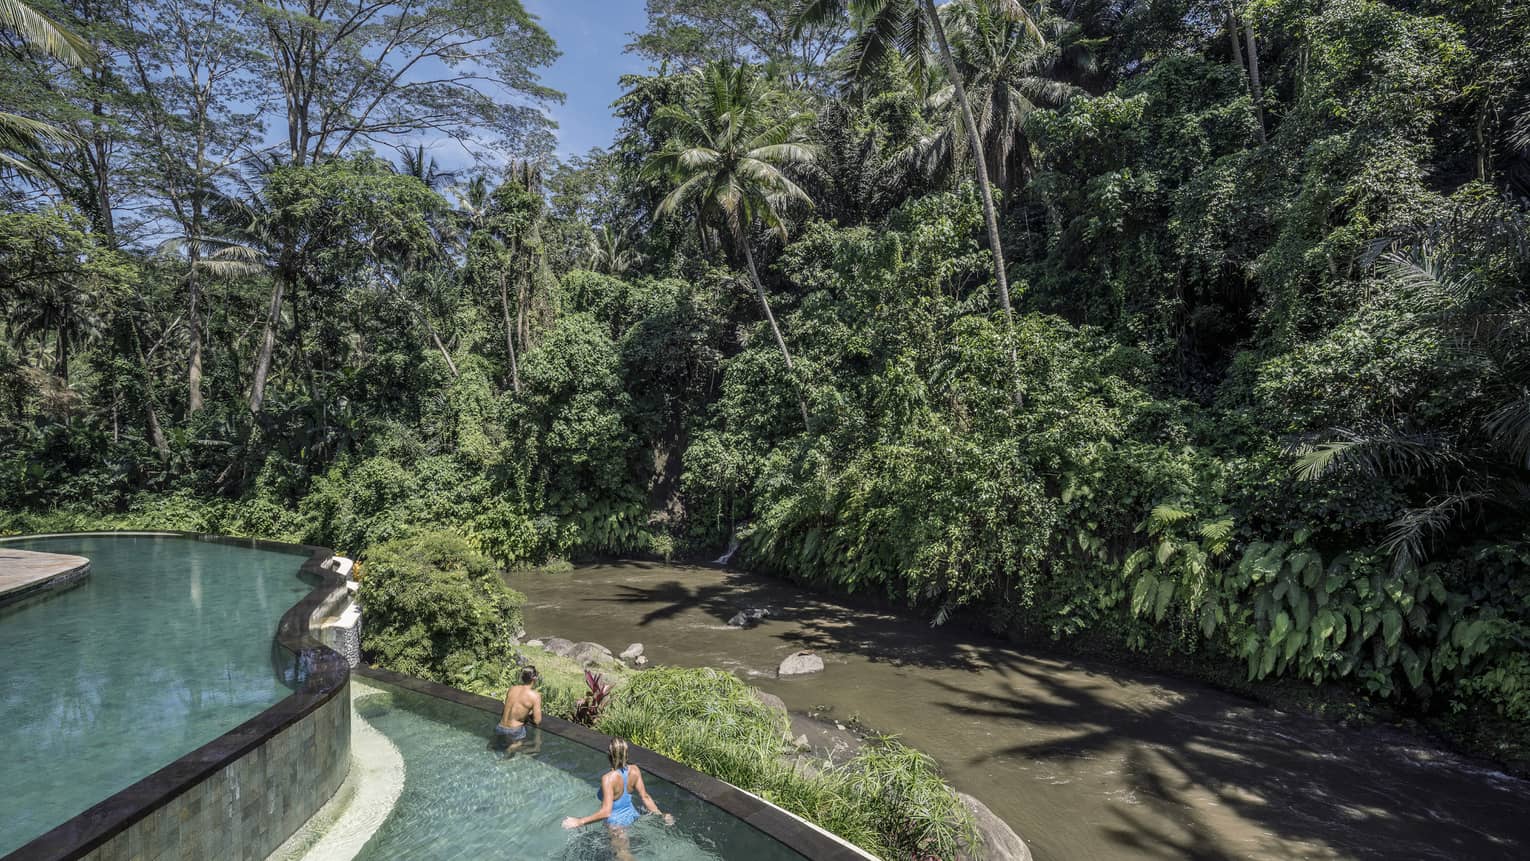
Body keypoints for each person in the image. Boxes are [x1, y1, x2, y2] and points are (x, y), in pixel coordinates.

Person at [562, 738, 673, 860]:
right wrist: (661, 814)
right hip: (632, 815)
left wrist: (579, 821)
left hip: (616, 824)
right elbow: (645, 797)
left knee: (622, 854)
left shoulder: (608, 779)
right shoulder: (635, 770)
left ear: (609, 755)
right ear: (626, 754)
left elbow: (606, 812)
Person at [493, 665, 542, 751]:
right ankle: (510, 750)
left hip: (500, 727)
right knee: (522, 743)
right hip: (514, 730)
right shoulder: (535, 696)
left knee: (498, 747)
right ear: (534, 679)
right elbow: (537, 721)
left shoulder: (512, 689)